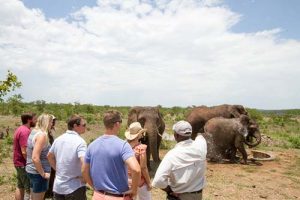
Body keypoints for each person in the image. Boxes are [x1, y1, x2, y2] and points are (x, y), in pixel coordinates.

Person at [82, 110, 141, 200]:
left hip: (98, 196)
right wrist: (134, 190)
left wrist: (94, 187)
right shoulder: (123, 145)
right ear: (117, 124)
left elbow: (84, 171)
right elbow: (136, 169)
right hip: (118, 196)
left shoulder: (92, 145)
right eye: (120, 122)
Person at [152, 120, 207, 200]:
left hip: (179, 196)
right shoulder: (201, 147)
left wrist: (169, 191)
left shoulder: (172, 155)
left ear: (176, 136)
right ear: (190, 133)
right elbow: (200, 137)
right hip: (198, 195)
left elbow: (158, 181)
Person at [47, 115, 87, 200]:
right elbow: (84, 161)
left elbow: (49, 156)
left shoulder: (59, 139)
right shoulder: (80, 142)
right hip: (74, 188)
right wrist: (85, 177)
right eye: (84, 125)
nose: (85, 127)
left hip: (58, 187)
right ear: (75, 126)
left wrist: (57, 169)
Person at [26, 114, 54, 200]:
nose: (52, 124)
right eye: (51, 122)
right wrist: (43, 173)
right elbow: (35, 157)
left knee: (33, 197)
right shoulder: (42, 135)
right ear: (46, 122)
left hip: (31, 170)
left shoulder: (34, 132)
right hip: (38, 173)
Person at [13, 113, 37, 200]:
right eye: (35, 119)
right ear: (29, 120)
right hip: (23, 163)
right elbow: (24, 151)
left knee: (20, 185)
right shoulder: (25, 131)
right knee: (28, 189)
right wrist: (30, 163)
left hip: (18, 162)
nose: (36, 121)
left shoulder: (20, 129)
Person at [125, 122, 152, 200]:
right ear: (139, 135)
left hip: (127, 180)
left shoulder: (124, 146)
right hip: (140, 182)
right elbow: (143, 167)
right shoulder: (141, 148)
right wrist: (149, 183)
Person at [45, 115, 57, 199]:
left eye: (54, 121)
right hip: (47, 158)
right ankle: (47, 192)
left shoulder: (51, 131)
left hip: (52, 156)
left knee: (53, 174)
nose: (53, 122)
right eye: (52, 121)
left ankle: (50, 191)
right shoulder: (45, 132)